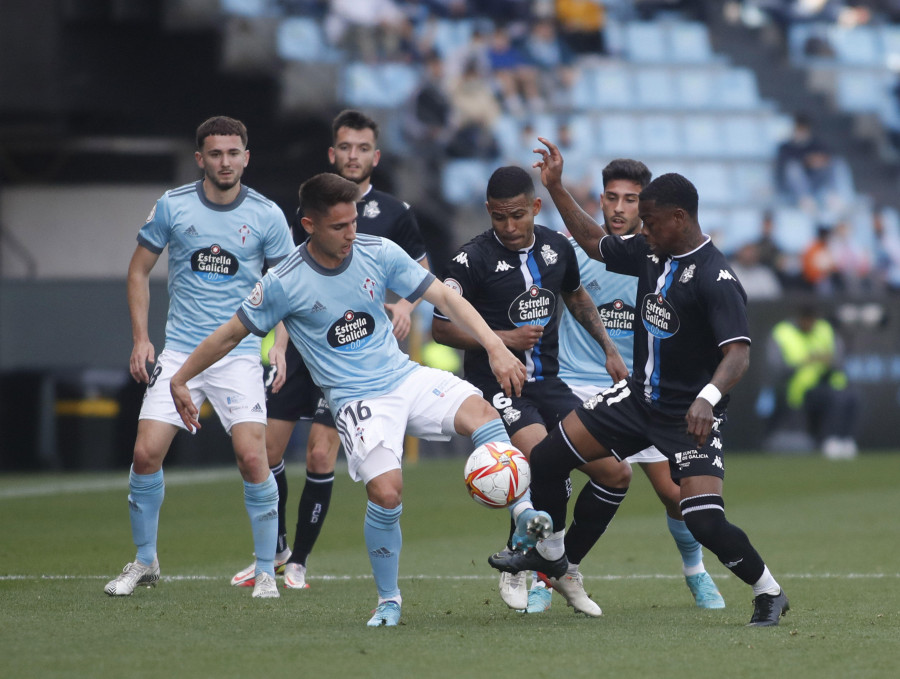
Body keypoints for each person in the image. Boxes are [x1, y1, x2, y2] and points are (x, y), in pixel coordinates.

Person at [171, 172, 533, 627]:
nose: (351, 234)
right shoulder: (283, 283)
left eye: (354, 222)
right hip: (357, 401)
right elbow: (228, 334)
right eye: (339, 226)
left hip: (403, 377)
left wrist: (497, 347)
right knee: (386, 492)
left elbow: (443, 295)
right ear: (308, 225)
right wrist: (182, 378)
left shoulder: (377, 252)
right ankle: (388, 600)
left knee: (483, 412)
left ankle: (522, 517)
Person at [489, 137, 790, 627]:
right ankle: (550, 553)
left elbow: (737, 353)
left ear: (678, 218)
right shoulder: (652, 253)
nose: (641, 230)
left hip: (687, 416)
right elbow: (592, 241)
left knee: (701, 517)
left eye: (649, 221)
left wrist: (707, 399)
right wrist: (558, 187)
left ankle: (768, 591)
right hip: (635, 402)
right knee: (546, 459)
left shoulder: (717, 279)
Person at [230, 109, 431, 591]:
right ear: (332, 152)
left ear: (375, 157)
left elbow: (423, 272)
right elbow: (291, 285)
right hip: (305, 348)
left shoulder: (394, 214)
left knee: (321, 455)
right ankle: (274, 549)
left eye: (363, 148)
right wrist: (277, 345)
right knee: (266, 450)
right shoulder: (315, 204)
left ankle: (298, 560)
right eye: (346, 147)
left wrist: (402, 305)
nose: (353, 155)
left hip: (354, 357)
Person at [104, 116, 295, 599]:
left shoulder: (268, 216)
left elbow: (290, 289)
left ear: (246, 157)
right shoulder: (173, 206)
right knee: (145, 453)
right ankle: (145, 562)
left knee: (253, 457)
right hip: (182, 352)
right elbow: (138, 272)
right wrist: (141, 339)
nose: (225, 162)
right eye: (215, 154)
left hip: (238, 353)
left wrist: (282, 347)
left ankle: (264, 571)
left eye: (233, 153)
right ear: (200, 159)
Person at [432, 165, 629, 616]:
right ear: (488, 212)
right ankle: (520, 561)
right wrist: (502, 339)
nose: (509, 226)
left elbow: (576, 296)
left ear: (535, 207)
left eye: (517, 215)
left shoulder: (559, 247)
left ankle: (560, 564)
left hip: (551, 383)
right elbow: (442, 328)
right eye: (499, 217)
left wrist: (608, 348)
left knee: (617, 474)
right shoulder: (470, 259)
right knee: (548, 464)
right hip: (497, 387)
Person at [557, 157, 726, 609]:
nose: (618, 208)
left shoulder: (660, 259)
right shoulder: (578, 251)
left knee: (675, 494)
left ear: (646, 205)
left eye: (630, 200)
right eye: (610, 197)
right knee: (561, 471)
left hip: (642, 391)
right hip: (576, 383)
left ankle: (695, 570)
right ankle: (544, 575)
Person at [768, 304, 859, 459]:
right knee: (833, 399)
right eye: (808, 321)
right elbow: (777, 368)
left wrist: (828, 361)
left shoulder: (824, 329)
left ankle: (844, 439)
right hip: (800, 389)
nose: (811, 325)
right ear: (800, 319)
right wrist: (806, 361)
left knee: (853, 397)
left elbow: (839, 360)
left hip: (828, 382)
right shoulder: (783, 333)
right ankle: (830, 439)